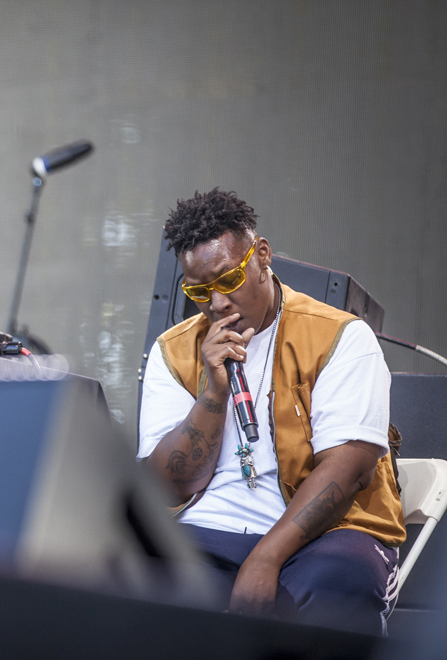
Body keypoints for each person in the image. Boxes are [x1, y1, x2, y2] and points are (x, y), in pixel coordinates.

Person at [138, 188, 405, 635]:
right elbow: (167, 485)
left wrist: (265, 558)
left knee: (341, 581)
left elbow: (348, 471)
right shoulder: (174, 351)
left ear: (262, 255)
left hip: (325, 534)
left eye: (228, 280)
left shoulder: (340, 336)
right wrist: (213, 393)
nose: (217, 303)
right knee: (129, 572)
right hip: (209, 531)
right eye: (199, 291)